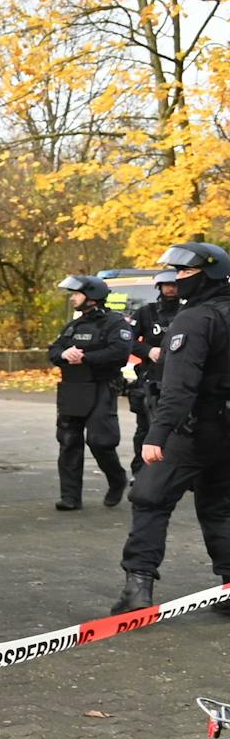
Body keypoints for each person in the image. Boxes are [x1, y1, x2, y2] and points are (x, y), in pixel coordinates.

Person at [115, 242, 230, 614]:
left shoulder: (194, 319)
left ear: (209, 274)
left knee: (149, 497)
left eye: (185, 272)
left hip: (194, 429)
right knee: (219, 507)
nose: (178, 278)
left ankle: (137, 590)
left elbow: (180, 386)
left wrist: (157, 434)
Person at [48, 274, 132, 511]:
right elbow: (53, 351)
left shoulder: (115, 323)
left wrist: (85, 357)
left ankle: (117, 479)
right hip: (73, 388)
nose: (73, 298)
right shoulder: (73, 326)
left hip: (102, 386)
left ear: (92, 297)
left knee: (100, 441)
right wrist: (64, 354)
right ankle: (70, 497)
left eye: (77, 294)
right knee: (68, 441)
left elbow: (120, 352)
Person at [128, 270, 183, 477]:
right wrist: (148, 350)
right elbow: (127, 340)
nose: (171, 289)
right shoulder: (146, 312)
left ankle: (174, 473)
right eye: (166, 285)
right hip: (150, 379)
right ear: (159, 287)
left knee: (179, 429)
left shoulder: (187, 312)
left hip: (178, 378)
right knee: (145, 429)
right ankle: (140, 472)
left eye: (174, 285)